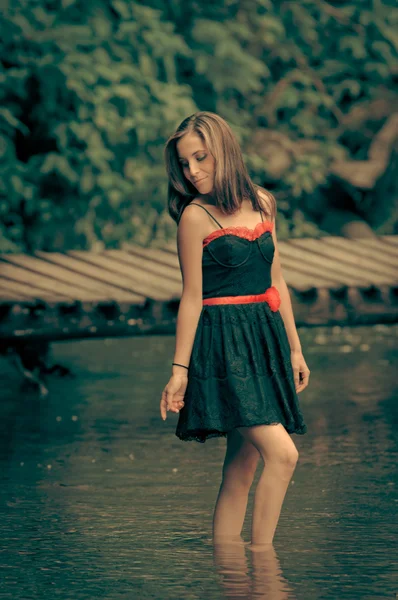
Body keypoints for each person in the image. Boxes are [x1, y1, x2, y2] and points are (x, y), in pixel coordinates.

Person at [159, 111, 310, 548]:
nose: (193, 171)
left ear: (223, 150)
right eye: (185, 164)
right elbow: (191, 297)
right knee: (283, 455)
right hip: (224, 345)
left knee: (241, 465)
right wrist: (179, 369)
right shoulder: (194, 217)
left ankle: (230, 574)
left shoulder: (263, 201)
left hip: (265, 338)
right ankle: (264, 571)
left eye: (200, 158)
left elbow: (275, 279)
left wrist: (295, 350)